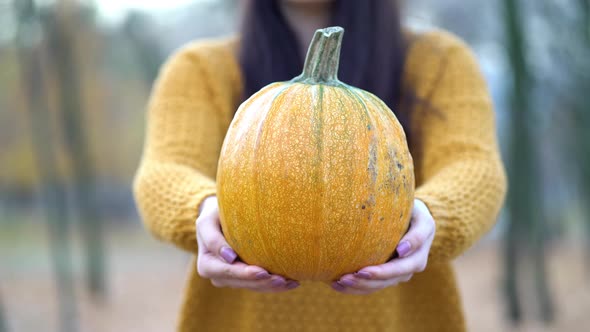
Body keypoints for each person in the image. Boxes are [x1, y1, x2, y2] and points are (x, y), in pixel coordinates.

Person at [133, 0, 507, 331]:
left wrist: (428, 217)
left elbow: (474, 169)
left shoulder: (439, 63)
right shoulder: (200, 69)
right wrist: (206, 209)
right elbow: (163, 173)